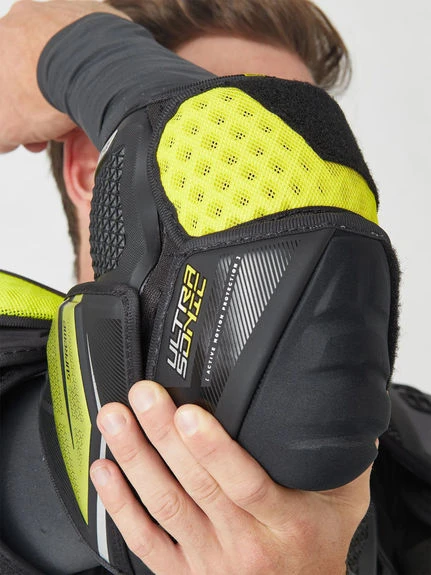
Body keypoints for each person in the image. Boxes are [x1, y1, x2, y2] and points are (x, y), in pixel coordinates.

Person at [0, 2, 429, 575]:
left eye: (298, 140)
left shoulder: (414, 442)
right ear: (95, 167)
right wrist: (78, 50)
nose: (282, 154)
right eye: (244, 130)